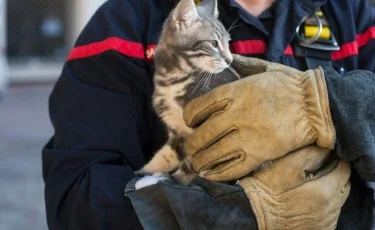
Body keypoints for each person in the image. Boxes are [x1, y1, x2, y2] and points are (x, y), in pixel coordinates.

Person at [42, 0, 375, 229]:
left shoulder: (355, 14)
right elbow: (75, 198)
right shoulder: (127, 20)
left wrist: (334, 103)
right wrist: (229, 215)